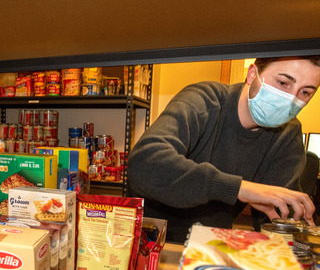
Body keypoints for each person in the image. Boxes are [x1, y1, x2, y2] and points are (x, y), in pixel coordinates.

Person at [126, 56, 320, 243]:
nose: (290, 98)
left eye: (305, 92)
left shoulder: (288, 133)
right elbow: (145, 163)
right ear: (252, 74)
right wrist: (239, 188)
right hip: (151, 241)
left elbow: (280, 214)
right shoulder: (204, 100)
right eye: (283, 83)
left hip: (211, 244)